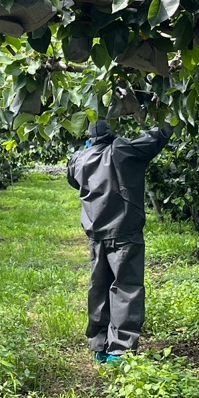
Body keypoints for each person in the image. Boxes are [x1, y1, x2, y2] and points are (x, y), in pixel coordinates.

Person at [66, 116, 172, 362]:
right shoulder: (123, 150)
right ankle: (121, 349)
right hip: (125, 232)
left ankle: (99, 346)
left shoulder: (79, 158)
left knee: (99, 287)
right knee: (126, 288)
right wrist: (170, 116)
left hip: (96, 233)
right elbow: (155, 138)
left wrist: (87, 154)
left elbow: (73, 179)